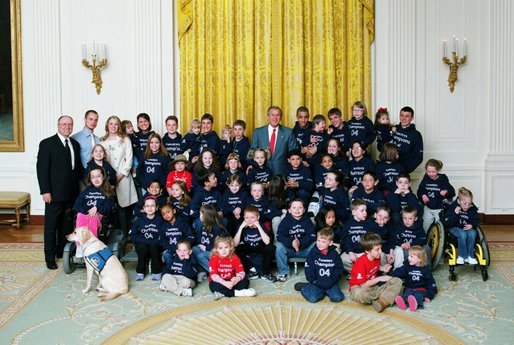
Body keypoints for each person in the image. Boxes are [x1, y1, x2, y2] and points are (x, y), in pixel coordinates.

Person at [37, 115, 83, 269]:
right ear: (58, 125)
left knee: (67, 226)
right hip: (54, 194)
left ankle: (61, 253)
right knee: (51, 227)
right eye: (64, 124)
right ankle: (49, 258)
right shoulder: (47, 144)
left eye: (70, 124)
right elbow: (42, 170)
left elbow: (77, 170)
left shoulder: (74, 144)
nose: (67, 127)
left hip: (71, 194)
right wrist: (45, 191)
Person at [100, 116, 138, 237]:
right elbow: (102, 160)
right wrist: (110, 178)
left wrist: (120, 176)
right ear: (107, 125)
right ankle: (112, 236)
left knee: (124, 209)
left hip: (123, 178)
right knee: (110, 208)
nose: (113, 126)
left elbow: (129, 159)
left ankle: (125, 236)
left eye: (116, 124)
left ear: (119, 126)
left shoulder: (125, 139)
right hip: (108, 179)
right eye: (111, 124)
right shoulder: (102, 142)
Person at [348, 232, 402, 313]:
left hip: (374, 287)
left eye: (380, 248)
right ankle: (386, 297)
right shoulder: (360, 263)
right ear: (367, 251)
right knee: (362, 294)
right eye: (377, 249)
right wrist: (380, 278)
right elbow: (364, 285)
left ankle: (382, 302)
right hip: (359, 288)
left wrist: (383, 269)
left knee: (398, 281)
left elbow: (374, 267)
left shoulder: (377, 256)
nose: (380, 251)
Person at [295, 228, 345, 303]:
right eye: (318, 240)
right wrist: (313, 281)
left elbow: (338, 269)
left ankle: (322, 291)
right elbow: (308, 269)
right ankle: (306, 287)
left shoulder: (334, 254)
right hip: (317, 282)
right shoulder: (312, 253)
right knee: (312, 299)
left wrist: (333, 281)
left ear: (330, 243)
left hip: (330, 282)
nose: (320, 243)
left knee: (337, 298)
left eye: (323, 242)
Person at [73, 167, 115, 257]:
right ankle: (80, 246)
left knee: (93, 216)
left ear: (103, 177)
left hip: (100, 219)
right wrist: (88, 210)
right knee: (80, 215)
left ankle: (92, 245)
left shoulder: (108, 191)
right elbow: (77, 204)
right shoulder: (86, 191)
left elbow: (109, 207)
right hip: (84, 216)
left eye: (98, 176)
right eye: (93, 177)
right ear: (90, 179)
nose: (96, 179)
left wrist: (97, 208)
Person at [248, 105, 298, 175]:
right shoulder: (258, 132)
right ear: (268, 116)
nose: (275, 118)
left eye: (278, 115)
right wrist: (250, 164)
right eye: (272, 115)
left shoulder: (288, 132)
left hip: (281, 172)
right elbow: (252, 150)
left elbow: (294, 151)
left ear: (281, 117)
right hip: (261, 172)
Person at [275, 199, 317, 282]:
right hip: (290, 249)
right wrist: (292, 242)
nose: (297, 210)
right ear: (289, 210)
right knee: (278, 246)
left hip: (304, 249)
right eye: (294, 208)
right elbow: (280, 236)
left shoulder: (308, 221)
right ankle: (284, 272)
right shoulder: (285, 221)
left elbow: (312, 236)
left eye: (300, 207)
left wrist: (300, 242)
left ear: (304, 210)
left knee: (317, 244)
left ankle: (314, 270)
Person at [234, 206, 277, 282]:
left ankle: (265, 272)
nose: (249, 220)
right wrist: (241, 228)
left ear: (258, 217)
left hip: (260, 246)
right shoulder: (242, 225)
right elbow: (234, 244)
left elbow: (267, 242)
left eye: (252, 217)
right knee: (234, 250)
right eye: (247, 218)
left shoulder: (261, 224)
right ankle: (252, 270)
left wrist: (258, 226)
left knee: (271, 247)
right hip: (248, 247)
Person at [391, 245, 437, 311]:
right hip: (409, 288)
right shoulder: (407, 267)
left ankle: (415, 304)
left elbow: (431, 284)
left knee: (418, 296)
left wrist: (429, 295)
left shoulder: (426, 271)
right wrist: (391, 273)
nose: (408, 258)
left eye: (411, 256)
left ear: (420, 259)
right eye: (409, 255)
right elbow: (399, 272)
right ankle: (403, 303)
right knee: (406, 295)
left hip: (421, 289)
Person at [131, 196, 164, 281]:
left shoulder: (160, 220)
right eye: (147, 206)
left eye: (152, 206)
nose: (150, 208)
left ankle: (156, 271)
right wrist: (142, 242)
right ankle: (140, 271)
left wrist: (152, 242)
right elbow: (133, 235)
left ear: (156, 208)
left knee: (154, 246)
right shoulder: (138, 220)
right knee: (143, 247)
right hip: (142, 244)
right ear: (144, 208)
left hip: (155, 244)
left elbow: (163, 236)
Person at [417, 159, 455, 232]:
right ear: (426, 170)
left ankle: (440, 241)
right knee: (425, 227)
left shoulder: (443, 178)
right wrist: (423, 195)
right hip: (428, 207)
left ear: (438, 170)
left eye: (433, 172)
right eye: (429, 171)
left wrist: (446, 191)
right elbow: (420, 190)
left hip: (439, 208)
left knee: (440, 228)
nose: (431, 174)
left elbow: (452, 192)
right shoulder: (426, 178)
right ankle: (426, 241)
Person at [336, 199, 373, 274]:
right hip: (352, 252)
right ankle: (355, 272)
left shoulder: (369, 224)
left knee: (373, 257)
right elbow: (345, 240)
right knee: (342, 259)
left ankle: (363, 273)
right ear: (353, 212)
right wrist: (350, 252)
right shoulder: (347, 224)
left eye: (365, 210)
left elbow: (372, 240)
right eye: (362, 211)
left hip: (365, 252)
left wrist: (368, 252)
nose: (365, 213)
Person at [444, 187, 479, 265]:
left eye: (469, 204)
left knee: (473, 233)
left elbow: (476, 219)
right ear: (459, 201)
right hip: (454, 228)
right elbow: (448, 222)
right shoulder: (453, 207)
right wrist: (455, 213)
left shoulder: (472, 208)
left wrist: (472, 225)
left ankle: (470, 256)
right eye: (464, 203)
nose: (467, 206)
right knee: (462, 234)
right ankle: (462, 256)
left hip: (467, 227)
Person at [192, 204, 228, 274]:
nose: (199, 216)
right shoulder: (200, 223)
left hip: (215, 252)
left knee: (201, 256)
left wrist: (207, 248)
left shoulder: (217, 228)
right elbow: (198, 238)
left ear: (206, 216)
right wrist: (200, 245)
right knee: (194, 249)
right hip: (204, 248)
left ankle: (216, 273)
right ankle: (203, 270)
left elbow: (222, 246)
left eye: (201, 214)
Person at [159, 203, 195, 269]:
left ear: (174, 211)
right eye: (163, 214)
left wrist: (182, 248)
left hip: (183, 249)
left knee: (189, 255)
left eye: (168, 212)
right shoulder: (163, 226)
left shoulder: (183, 223)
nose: (166, 215)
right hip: (171, 249)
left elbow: (190, 237)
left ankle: (187, 270)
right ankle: (173, 270)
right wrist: (171, 248)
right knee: (166, 255)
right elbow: (162, 240)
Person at [390, 106, 423, 174]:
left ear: (412, 118)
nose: (403, 118)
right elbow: (383, 145)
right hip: (387, 168)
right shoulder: (393, 128)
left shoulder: (416, 135)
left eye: (407, 116)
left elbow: (418, 157)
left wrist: (405, 170)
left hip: (402, 171)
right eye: (402, 115)